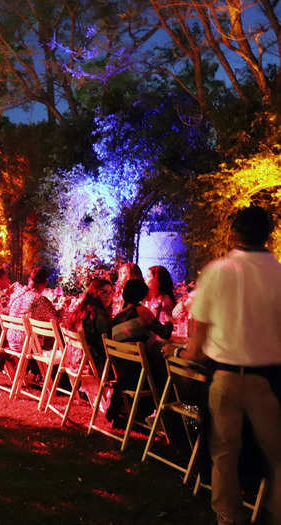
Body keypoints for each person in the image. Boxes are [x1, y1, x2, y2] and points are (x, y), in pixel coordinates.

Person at [165, 206, 281, 525]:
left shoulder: (218, 271)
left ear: (235, 233)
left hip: (226, 377)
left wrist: (176, 354)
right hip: (269, 380)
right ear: (268, 234)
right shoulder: (279, 274)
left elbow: (197, 343)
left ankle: (229, 518)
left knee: (224, 456)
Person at [109, 279, 173, 424]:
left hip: (122, 372)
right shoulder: (142, 312)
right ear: (142, 294)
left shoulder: (118, 316)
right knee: (168, 369)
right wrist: (169, 320)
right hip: (139, 376)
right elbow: (164, 333)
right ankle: (166, 418)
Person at [0, 266, 59, 380]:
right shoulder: (39, 300)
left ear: (29, 280)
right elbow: (55, 320)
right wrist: (62, 310)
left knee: (42, 335)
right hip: (25, 344)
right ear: (44, 283)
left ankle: (33, 371)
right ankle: (51, 376)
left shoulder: (18, 294)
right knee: (55, 337)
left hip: (11, 340)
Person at [64, 278, 113, 374]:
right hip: (95, 366)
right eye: (104, 292)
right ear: (94, 293)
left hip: (76, 362)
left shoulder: (82, 310)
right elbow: (109, 343)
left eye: (110, 293)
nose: (108, 296)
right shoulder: (99, 315)